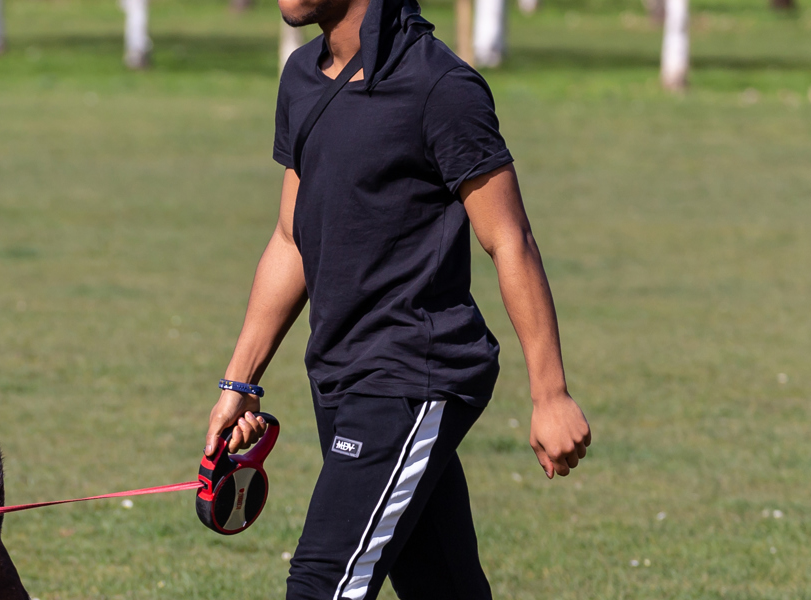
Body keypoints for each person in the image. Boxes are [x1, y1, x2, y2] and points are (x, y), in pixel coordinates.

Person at [200, 0, 593, 596]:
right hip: (337, 378)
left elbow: (509, 239)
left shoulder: (440, 86)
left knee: (320, 585)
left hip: (413, 376)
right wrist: (239, 382)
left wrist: (550, 393)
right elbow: (290, 239)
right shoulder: (303, 79)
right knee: (443, 585)